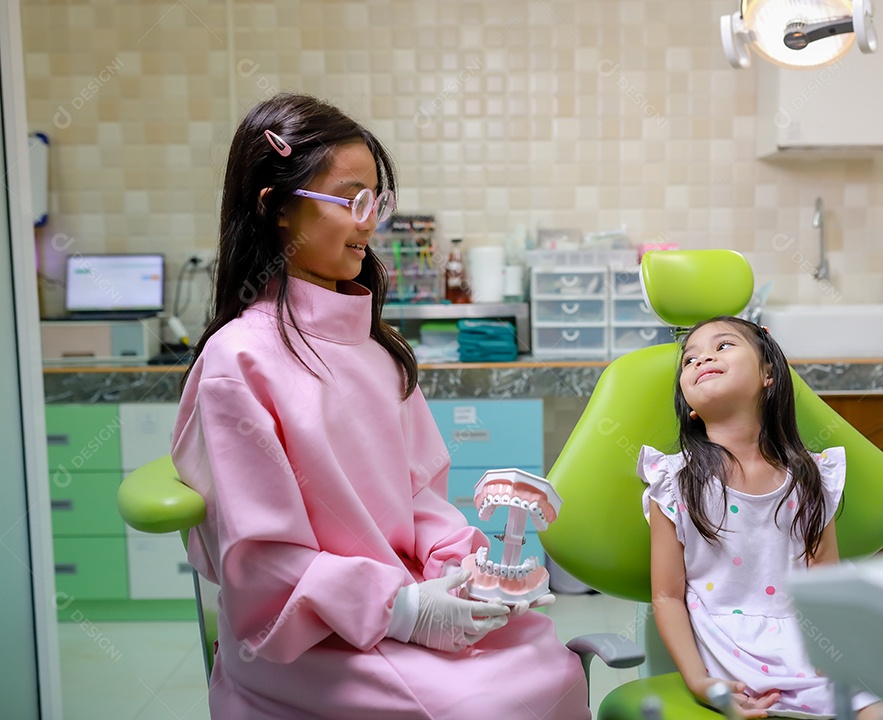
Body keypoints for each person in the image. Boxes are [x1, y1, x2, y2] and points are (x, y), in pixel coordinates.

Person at [172, 92, 589, 720]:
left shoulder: (372, 348)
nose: (370, 223)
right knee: (489, 704)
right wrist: (403, 609)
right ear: (278, 209)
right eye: (352, 200)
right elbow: (264, 563)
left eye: (377, 200)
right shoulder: (241, 362)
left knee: (544, 660)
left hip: (401, 596)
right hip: (311, 637)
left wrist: (465, 569)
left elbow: (420, 497)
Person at [640, 316, 883, 720]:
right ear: (689, 408)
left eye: (723, 346)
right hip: (727, 648)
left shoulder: (811, 476)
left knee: (873, 708)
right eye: (689, 360)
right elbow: (666, 596)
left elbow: (824, 575)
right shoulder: (673, 482)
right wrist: (699, 681)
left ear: (767, 374)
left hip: (805, 638)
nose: (702, 358)